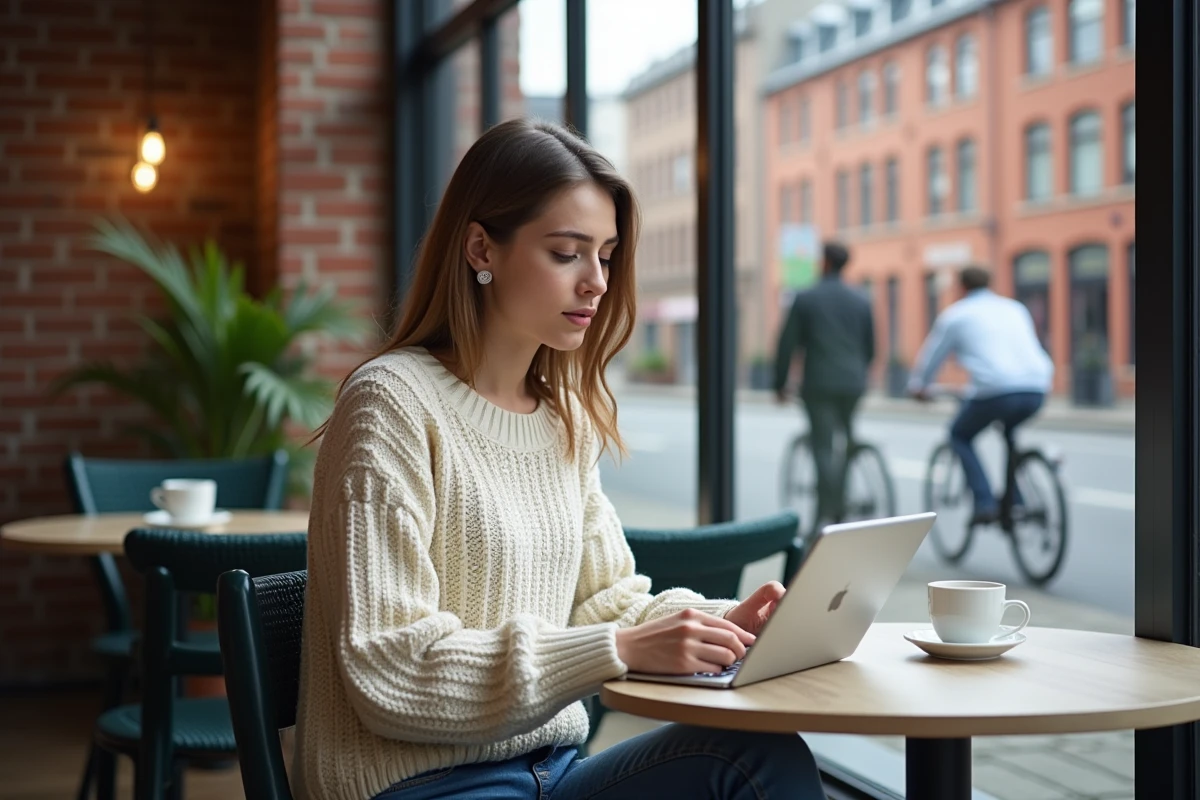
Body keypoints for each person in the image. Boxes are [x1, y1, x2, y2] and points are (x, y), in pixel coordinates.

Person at [296, 118, 827, 800]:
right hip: (417, 787)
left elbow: (607, 604)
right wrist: (620, 652)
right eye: (568, 253)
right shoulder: (391, 404)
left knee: (760, 757)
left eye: (605, 255)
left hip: (547, 775)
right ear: (481, 248)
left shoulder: (560, 418)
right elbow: (391, 669)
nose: (597, 283)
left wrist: (726, 625)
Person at [907, 265, 1054, 524]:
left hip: (995, 390)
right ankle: (1015, 500)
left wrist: (919, 385)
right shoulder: (1014, 308)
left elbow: (933, 356)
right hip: (1037, 386)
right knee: (1008, 433)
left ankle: (985, 503)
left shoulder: (956, 315)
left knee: (959, 435)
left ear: (961, 287)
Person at [773, 241, 876, 529]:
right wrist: (859, 373)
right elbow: (871, 347)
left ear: (825, 262)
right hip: (853, 382)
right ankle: (839, 500)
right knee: (845, 439)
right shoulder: (861, 299)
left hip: (819, 382)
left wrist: (779, 384)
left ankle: (830, 508)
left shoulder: (806, 298)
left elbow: (787, 344)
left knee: (823, 445)